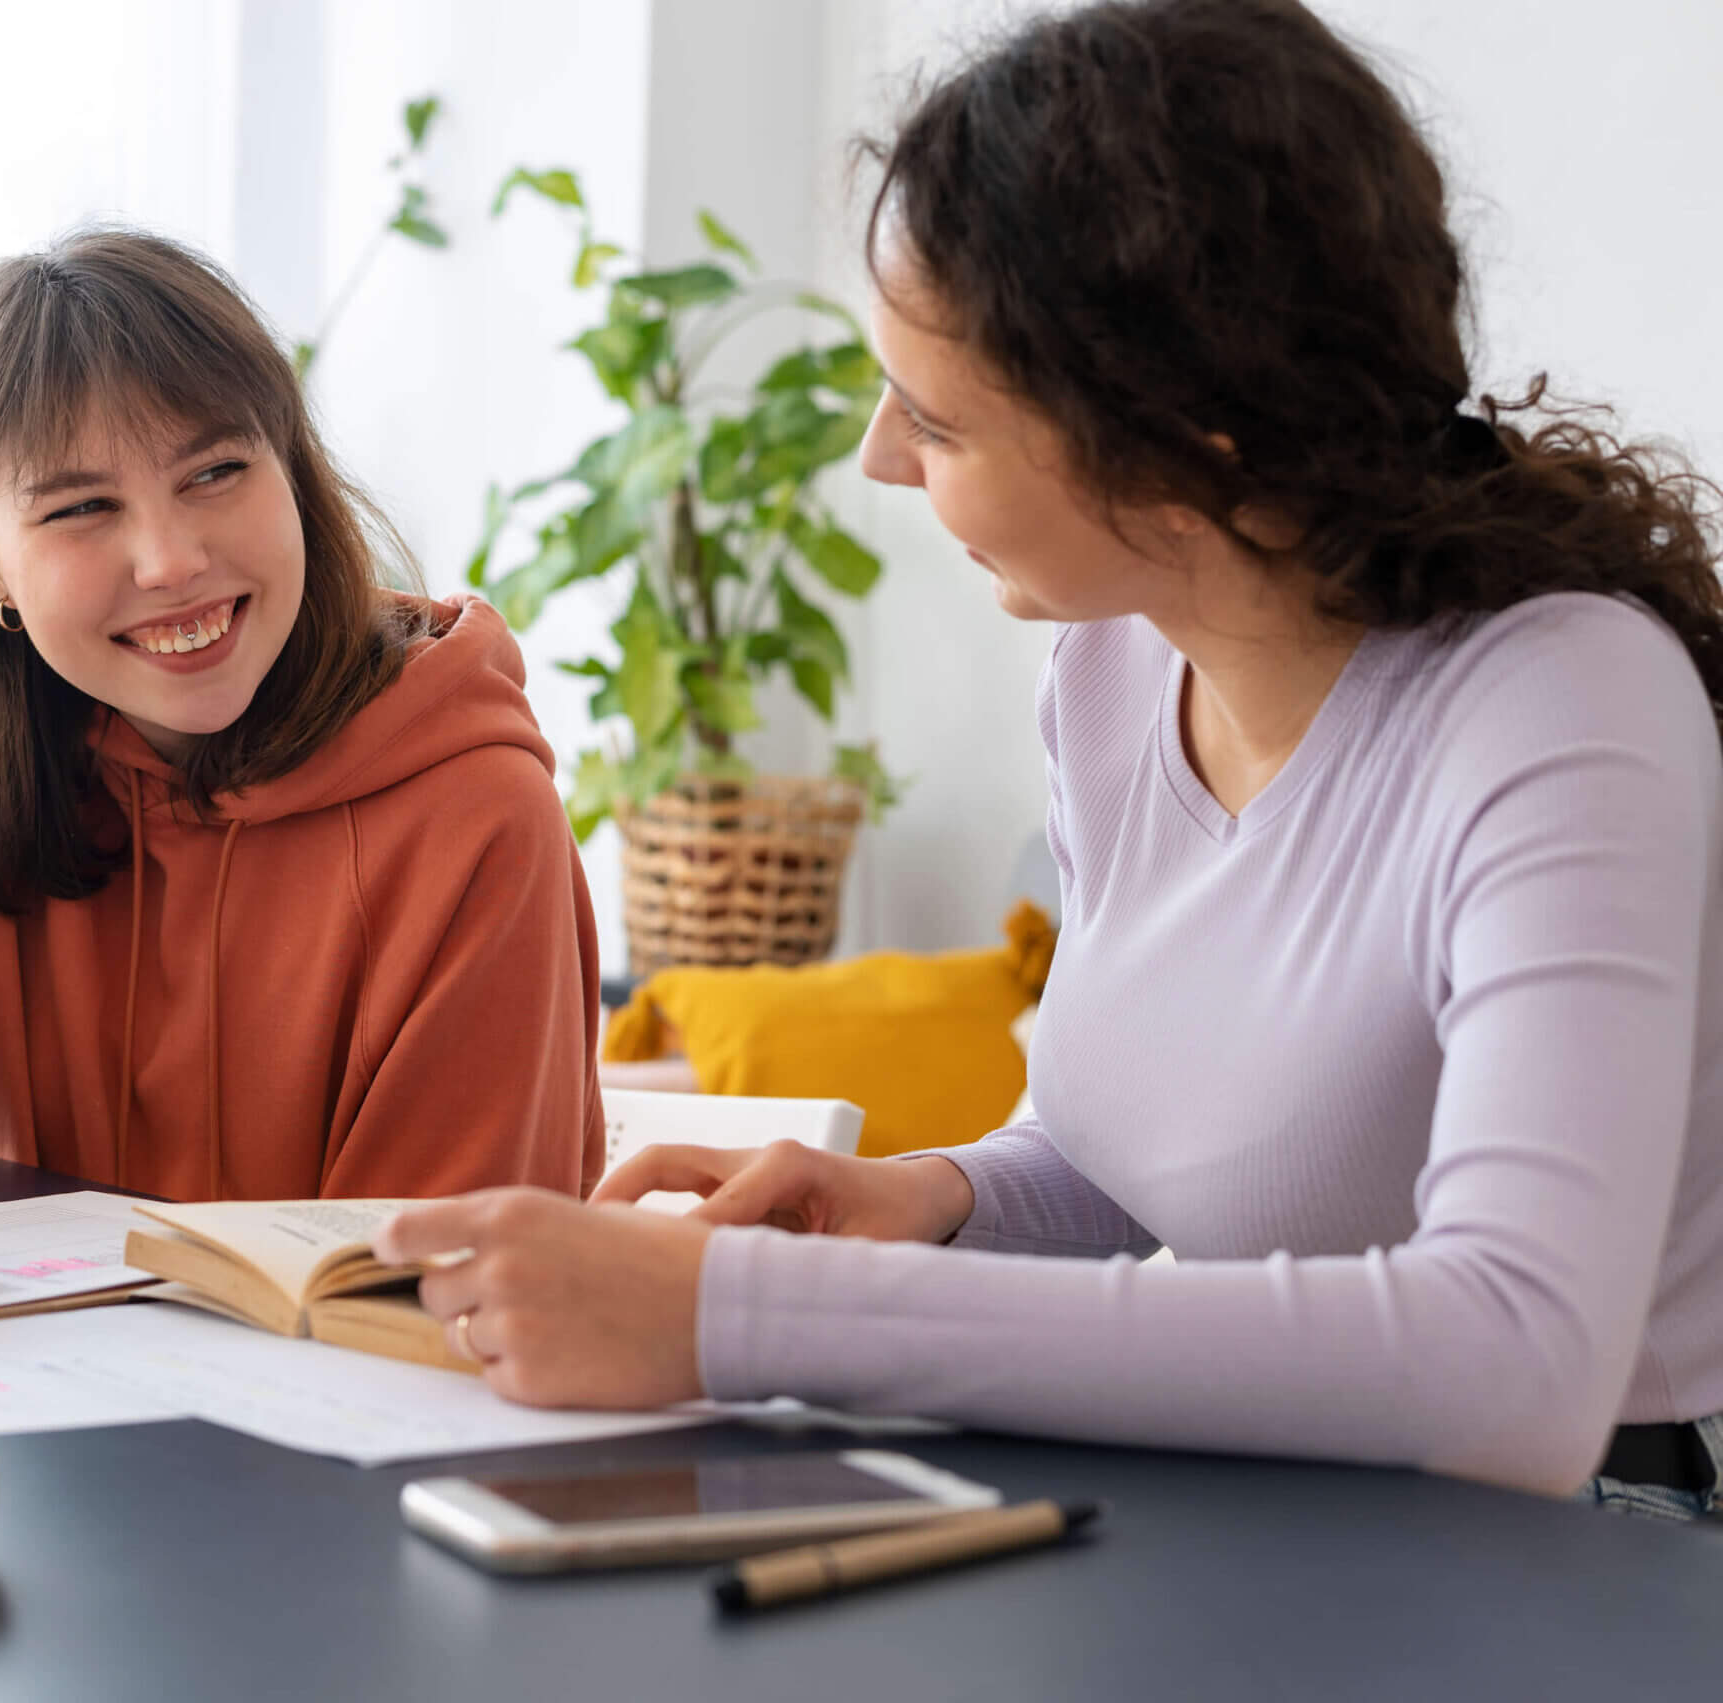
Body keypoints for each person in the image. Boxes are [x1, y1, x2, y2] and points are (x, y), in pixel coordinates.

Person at [376, 0, 1723, 1517]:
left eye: (936, 416)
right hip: (1314, 1508)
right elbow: (1144, 1157)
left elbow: (1519, 1365)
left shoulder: (1565, 702)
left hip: (1633, 1538)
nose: (882, 456)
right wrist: (929, 1200)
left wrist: (735, 1317)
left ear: (1178, 439)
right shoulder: (1111, 664)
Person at [0, 230, 603, 1276]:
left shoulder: (474, 808)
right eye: (83, 506)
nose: (172, 561)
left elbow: (431, 1292)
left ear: (293, 472)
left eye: (218, 470)